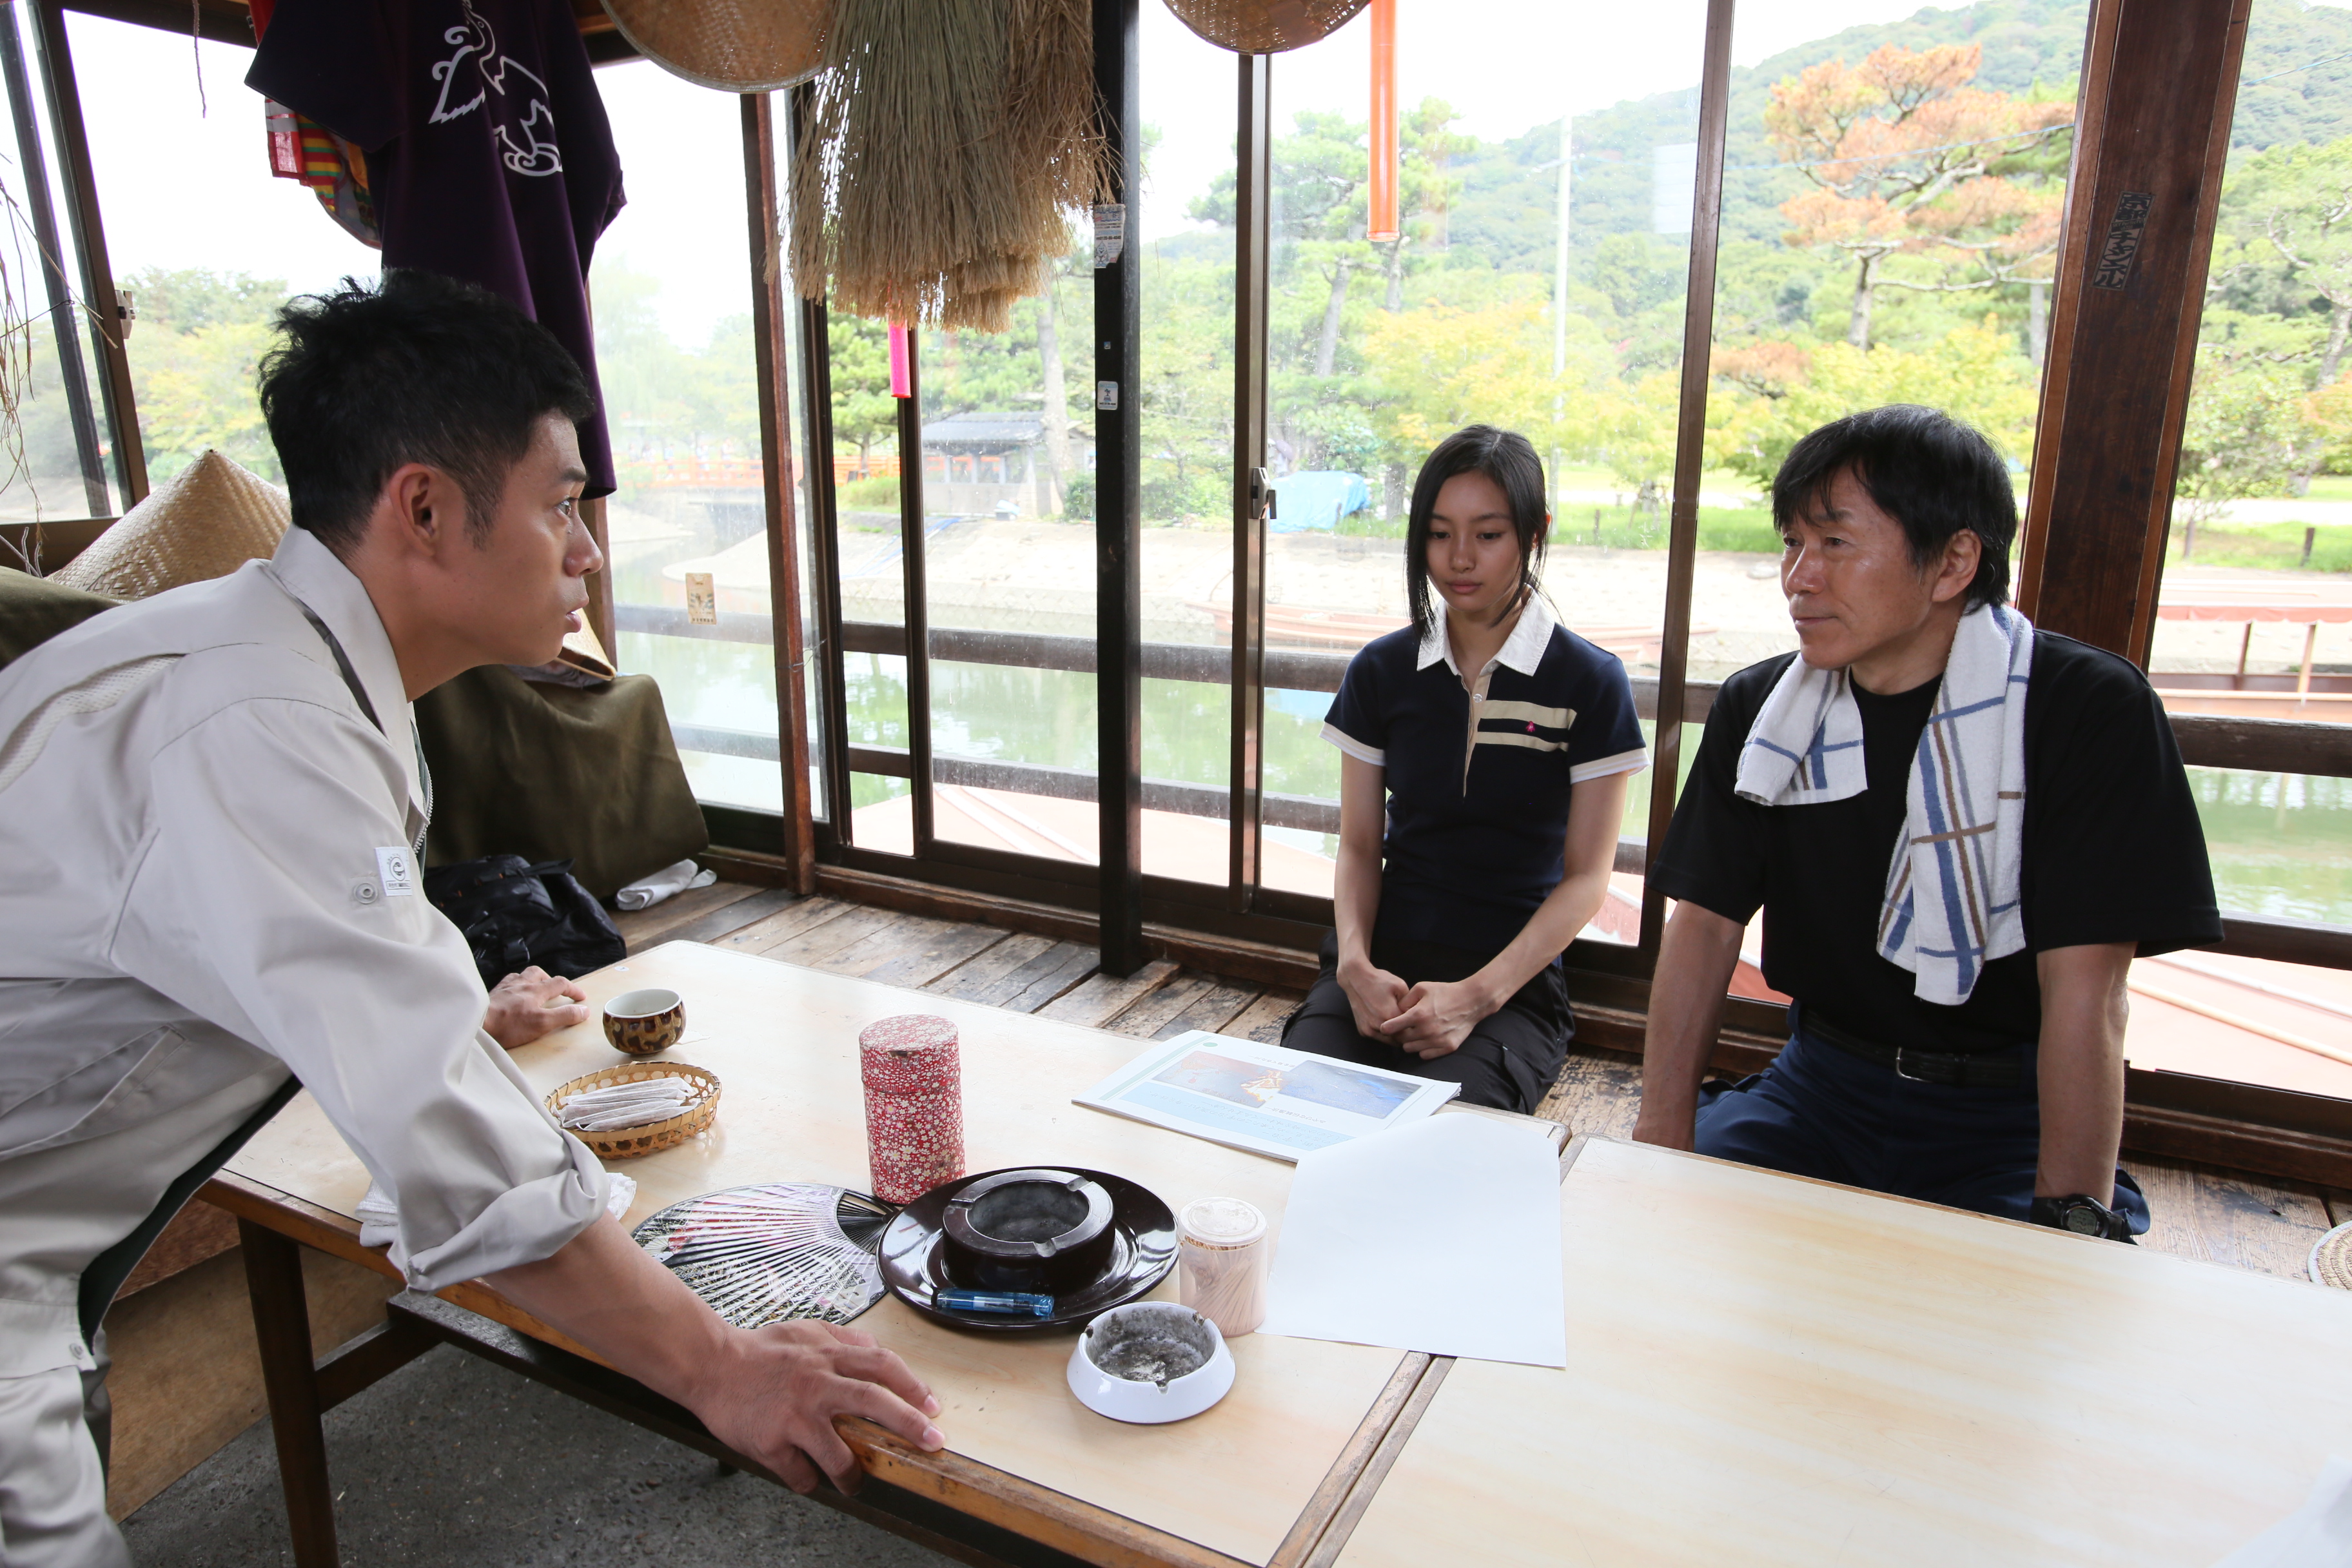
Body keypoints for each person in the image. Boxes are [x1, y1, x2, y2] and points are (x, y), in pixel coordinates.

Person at [0, 271, 941, 1568]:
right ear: (426, 509)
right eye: (562, 503)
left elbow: (315, 972)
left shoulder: (294, 671)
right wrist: (718, 1360)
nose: (591, 548)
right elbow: (440, 1124)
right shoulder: (260, 721)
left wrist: (455, 1012)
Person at [1634, 405, 2221, 1239]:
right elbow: (1703, 927)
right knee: (1667, 1246)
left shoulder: (2086, 709)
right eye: (1792, 544)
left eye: (1835, 544)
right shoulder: (1765, 708)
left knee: (2033, 1314)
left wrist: (2069, 1221)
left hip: (2006, 1117)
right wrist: (1660, 1147)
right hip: (1820, 1088)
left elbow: (2089, 998)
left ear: (1953, 562)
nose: (1800, 577)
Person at [1282, 426, 1649, 1113]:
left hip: (1509, 982)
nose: (1458, 558)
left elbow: (1587, 879)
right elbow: (1360, 845)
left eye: (1487, 534)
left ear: (1534, 533)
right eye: (1439, 533)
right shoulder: (1383, 670)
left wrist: (1476, 997)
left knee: (1454, 1136)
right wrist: (1355, 966)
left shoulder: (1590, 681)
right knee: (1301, 1108)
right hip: (1381, 963)